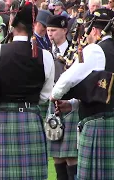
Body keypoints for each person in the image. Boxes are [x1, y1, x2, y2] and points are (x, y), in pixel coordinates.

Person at [0, 3, 55, 179]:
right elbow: (45, 96)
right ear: (34, 26)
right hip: (31, 120)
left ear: (12, 24)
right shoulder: (45, 56)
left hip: (1, 119)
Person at [50, 8, 114, 180]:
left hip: (99, 125)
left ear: (94, 29)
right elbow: (107, 90)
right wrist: (73, 104)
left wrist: (54, 95)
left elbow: (68, 78)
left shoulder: (95, 50)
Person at [46, 15, 79, 180]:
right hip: (53, 105)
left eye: (54, 30)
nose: (50, 34)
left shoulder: (75, 51)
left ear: (65, 30)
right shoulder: (45, 52)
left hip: (70, 104)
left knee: (71, 154)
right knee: (57, 155)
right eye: (48, 30)